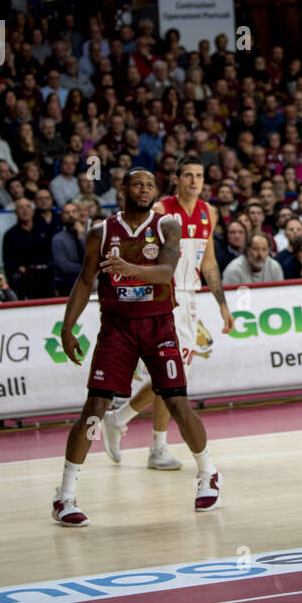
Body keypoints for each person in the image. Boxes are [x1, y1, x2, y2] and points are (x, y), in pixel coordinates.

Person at [54, 169, 222, 525]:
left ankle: (208, 473)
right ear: (123, 189)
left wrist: (126, 268)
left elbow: (164, 272)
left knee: (177, 401)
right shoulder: (100, 232)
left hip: (159, 324)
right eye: (137, 184)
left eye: (149, 185)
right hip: (116, 326)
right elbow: (85, 281)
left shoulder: (167, 226)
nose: (144, 190)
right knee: (94, 407)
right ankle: (65, 496)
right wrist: (67, 328)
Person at [101, 157, 235, 471]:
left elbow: (209, 262)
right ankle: (152, 443)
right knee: (172, 376)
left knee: (170, 377)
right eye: (187, 175)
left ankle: (124, 423)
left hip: (190, 300)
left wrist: (222, 304)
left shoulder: (208, 212)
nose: (194, 180)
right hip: (163, 299)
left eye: (199, 175)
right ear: (176, 179)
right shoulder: (161, 210)